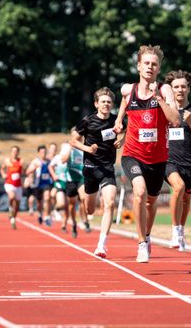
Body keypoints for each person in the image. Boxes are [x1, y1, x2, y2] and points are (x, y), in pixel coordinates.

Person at [114, 45, 179, 263]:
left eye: (154, 64)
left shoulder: (164, 90)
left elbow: (175, 120)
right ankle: (141, 243)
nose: (150, 67)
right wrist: (118, 121)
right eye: (146, 63)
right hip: (132, 154)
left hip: (157, 158)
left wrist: (158, 99)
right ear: (139, 66)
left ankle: (148, 236)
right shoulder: (127, 89)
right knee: (139, 192)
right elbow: (124, 101)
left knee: (151, 202)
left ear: (159, 68)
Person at [71, 87, 123, 258]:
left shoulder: (116, 121)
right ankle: (87, 208)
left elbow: (129, 130)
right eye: (103, 101)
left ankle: (101, 245)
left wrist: (121, 140)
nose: (106, 104)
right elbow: (73, 140)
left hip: (107, 168)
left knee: (109, 204)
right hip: (91, 169)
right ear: (96, 104)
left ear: (112, 104)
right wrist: (88, 148)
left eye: (109, 102)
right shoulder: (87, 121)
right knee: (90, 210)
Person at [163, 70, 191, 251]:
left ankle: (181, 230)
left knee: (186, 198)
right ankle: (175, 231)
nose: (179, 90)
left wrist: (190, 123)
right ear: (170, 89)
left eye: (183, 86)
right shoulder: (165, 111)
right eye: (176, 87)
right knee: (178, 187)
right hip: (169, 162)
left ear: (188, 89)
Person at [62, 127, 91, 234]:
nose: (78, 136)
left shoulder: (84, 146)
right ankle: (74, 222)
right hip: (71, 179)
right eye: (76, 135)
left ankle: (85, 221)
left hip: (82, 178)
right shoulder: (66, 146)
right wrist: (70, 148)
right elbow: (63, 160)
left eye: (80, 134)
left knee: (83, 198)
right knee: (72, 204)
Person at [48, 145, 73, 235]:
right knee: (62, 203)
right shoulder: (57, 158)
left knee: (67, 207)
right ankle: (54, 211)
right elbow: (50, 166)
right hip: (59, 182)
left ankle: (63, 226)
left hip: (69, 183)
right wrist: (54, 175)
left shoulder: (72, 158)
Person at [26, 145, 54, 226]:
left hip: (47, 184)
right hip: (37, 185)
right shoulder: (35, 161)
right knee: (39, 203)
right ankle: (40, 214)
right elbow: (27, 172)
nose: (44, 153)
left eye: (45, 152)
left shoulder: (49, 161)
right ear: (39, 153)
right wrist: (34, 168)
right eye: (42, 152)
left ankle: (47, 217)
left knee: (47, 198)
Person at [0, 145, 23, 229]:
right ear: (11, 152)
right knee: (11, 196)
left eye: (16, 151)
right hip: (9, 183)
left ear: (18, 152)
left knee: (17, 206)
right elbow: (2, 169)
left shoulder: (21, 161)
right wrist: (3, 174)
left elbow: (23, 172)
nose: (14, 152)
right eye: (13, 151)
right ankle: (10, 208)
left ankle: (13, 219)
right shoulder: (7, 161)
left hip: (18, 185)